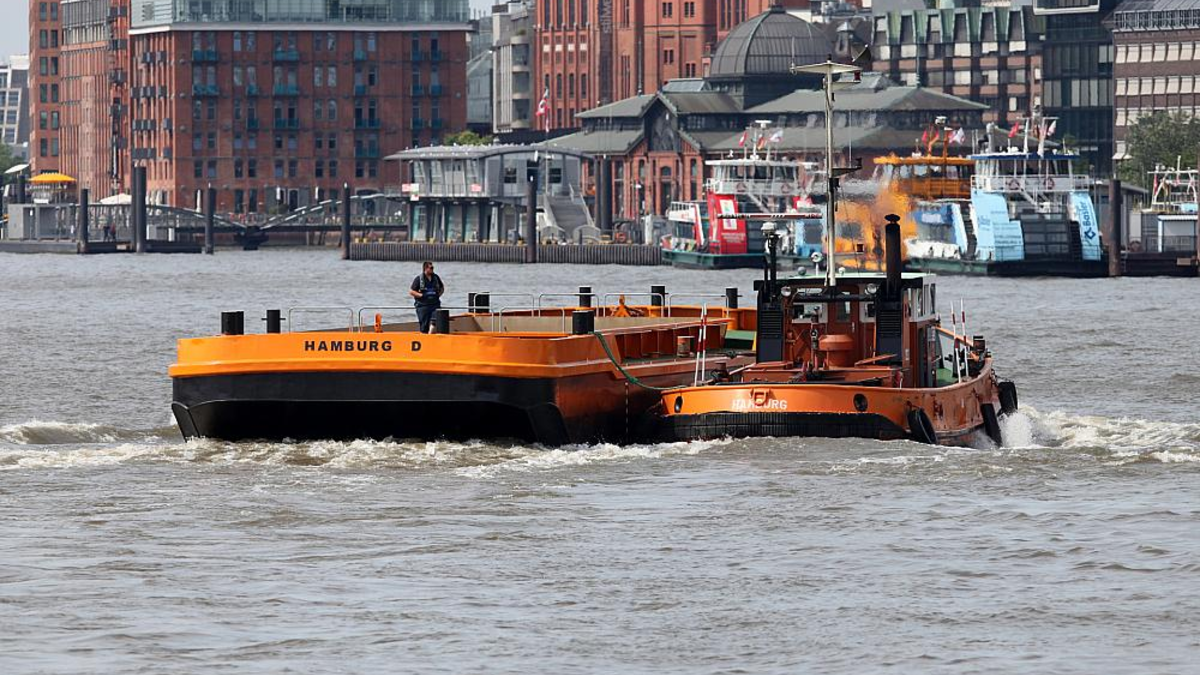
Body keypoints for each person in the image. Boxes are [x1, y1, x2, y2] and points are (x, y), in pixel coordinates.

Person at [409, 261, 445, 333]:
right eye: (431, 268)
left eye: (433, 268)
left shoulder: (436, 277)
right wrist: (422, 295)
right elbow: (411, 291)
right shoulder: (419, 279)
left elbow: (442, 288)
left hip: (435, 305)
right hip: (423, 306)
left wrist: (438, 295)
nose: (432, 269)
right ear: (425, 268)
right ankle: (426, 336)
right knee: (424, 327)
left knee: (435, 321)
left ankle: (431, 334)